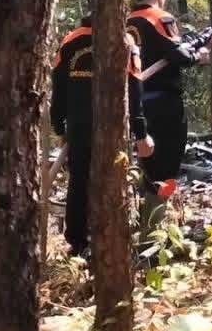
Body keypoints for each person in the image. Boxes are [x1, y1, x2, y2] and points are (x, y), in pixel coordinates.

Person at [50, 13, 154, 256]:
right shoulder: (124, 40)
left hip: (79, 124)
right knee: (112, 178)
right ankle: (108, 238)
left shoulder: (71, 40)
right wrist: (141, 132)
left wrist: (59, 124)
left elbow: (58, 85)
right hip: (113, 125)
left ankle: (78, 242)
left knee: (79, 179)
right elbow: (135, 89)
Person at [126, 0, 212, 206]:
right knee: (168, 164)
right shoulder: (159, 17)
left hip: (136, 105)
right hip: (164, 105)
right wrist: (199, 56)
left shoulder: (127, 22)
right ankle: (158, 217)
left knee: (147, 163)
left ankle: (145, 213)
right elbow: (178, 55)